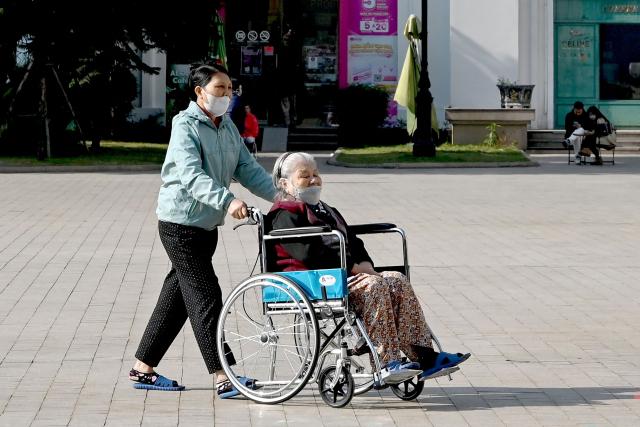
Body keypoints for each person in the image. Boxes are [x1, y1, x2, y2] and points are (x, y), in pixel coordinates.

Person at [128, 63, 276, 397]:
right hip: (179, 224)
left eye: (230, 89)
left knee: (178, 298)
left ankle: (142, 369)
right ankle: (224, 375)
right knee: (207, 296)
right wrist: (228, 201)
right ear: (200, 92)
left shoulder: (227, 127)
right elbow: (192, 176)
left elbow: (247, 168)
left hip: (205, 225)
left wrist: (283, 197)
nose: (227, 95)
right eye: (220, 88)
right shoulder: (185, 126)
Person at [265, 152, 470, 384]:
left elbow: (354, 242)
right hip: (313, 281)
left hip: (341, 276)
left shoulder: (327, 209)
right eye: (305, 176)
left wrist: (366, 265)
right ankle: (386, 363)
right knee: (373, 285)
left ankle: (424, 356)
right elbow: (309, 253)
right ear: (285, 183)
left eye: (316, 174)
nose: (313, 180)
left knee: (395, 279)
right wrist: (353, 266)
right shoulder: (283, 214)